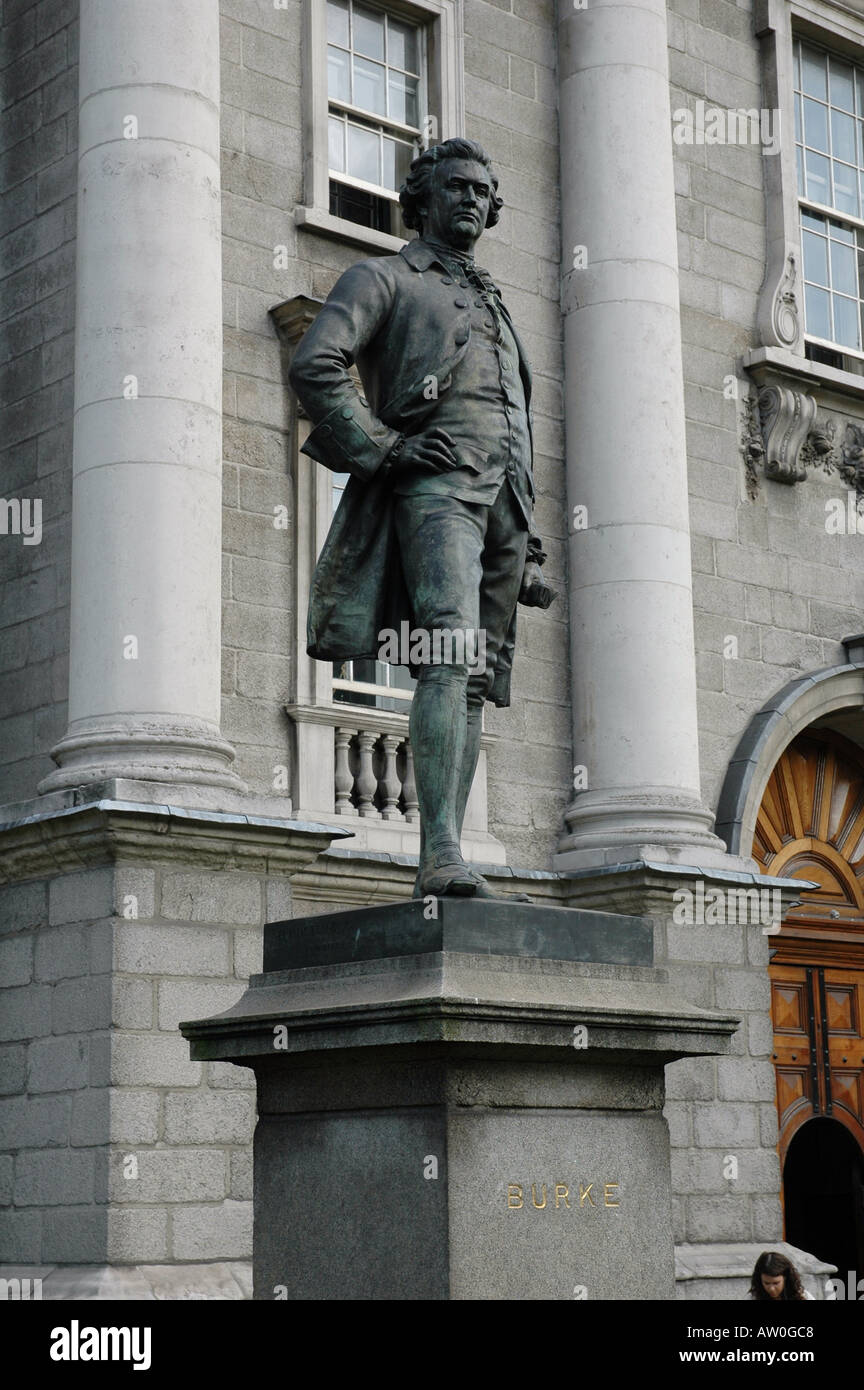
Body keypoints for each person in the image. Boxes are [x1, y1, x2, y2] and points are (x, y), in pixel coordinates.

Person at [289, 138, 554, 900]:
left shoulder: (497, 301)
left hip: (502, 502)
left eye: (483, 190)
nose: (472, 199)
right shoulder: (382, 277)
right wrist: (382, 448)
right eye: (457, 187)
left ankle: (457, 846)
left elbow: (515, 418)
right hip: (434, 489)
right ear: (425, 200)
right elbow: (315, 364)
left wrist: (529, 542)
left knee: (473, 679)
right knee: (445, 650)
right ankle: (437, 851)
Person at [747, 1251, 814, 1300]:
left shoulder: (803, 1297)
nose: (771, 1289)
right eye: (766, 1283)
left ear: (785, 1278)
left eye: (776, 1283)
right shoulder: (752, 1298)